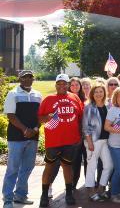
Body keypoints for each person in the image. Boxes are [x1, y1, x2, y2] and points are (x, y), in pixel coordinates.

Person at [38, 74, 84, 207]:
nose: (62, 86)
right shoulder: (48, 99)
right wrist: (46, 117)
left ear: (68, 85)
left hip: (70, 141)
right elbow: (40, 119)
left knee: (67, 167)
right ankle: (44, 195)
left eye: (65, 83)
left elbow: (80, 116)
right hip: (53, 141)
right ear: (56, 85)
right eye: (59, 83)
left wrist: (79, 134)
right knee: (49, 167)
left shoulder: (74, 97)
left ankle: (69, 194)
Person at [2, 70, 42, 208]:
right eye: (24, 77)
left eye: (30, 77)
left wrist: (35, 129)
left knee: (27, 167)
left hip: (33, 137)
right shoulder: (13, 93)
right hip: (16, 137)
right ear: (20, 79)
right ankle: (7, 198)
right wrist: (25, 130)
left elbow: (40, 116)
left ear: (33, 79)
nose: (27, 79)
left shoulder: (38, 95)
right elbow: (11, 116)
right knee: (13, 168)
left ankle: (20, 196)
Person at [82, 84, 113, 202]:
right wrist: (89, 142)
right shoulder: (89, 107)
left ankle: (101, 189)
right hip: (93, 141)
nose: (99, 94)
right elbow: (86, 127)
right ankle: (90, 192)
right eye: (96, 92)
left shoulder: (107, 106)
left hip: (106, 141)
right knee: (92, 166)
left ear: (104, 93)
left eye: (101, 92)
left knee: (109, 165)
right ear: (92, 94)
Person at [68, 77, 87, 190]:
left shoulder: (85, 100)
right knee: (75, 160)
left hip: (85, 135)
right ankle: (73, 183)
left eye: (77, 85)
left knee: (88, 159)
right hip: (73, 136)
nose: (75, 87)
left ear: (80, 86)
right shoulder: (67, 99)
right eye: (72, 85)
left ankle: (88, 183)